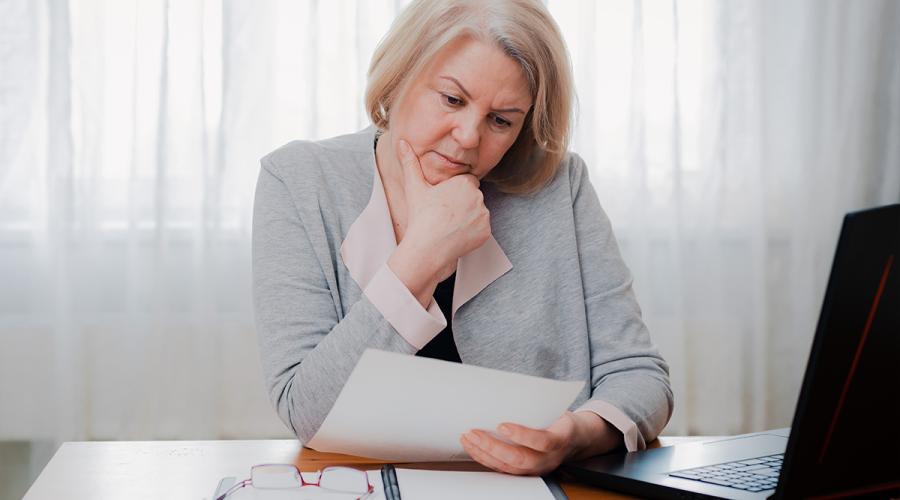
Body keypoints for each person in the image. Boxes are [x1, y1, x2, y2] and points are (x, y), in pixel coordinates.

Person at [252, 0, 673, 476]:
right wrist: (422, 256)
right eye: (452, 99)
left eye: (502, 120)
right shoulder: (299, 180)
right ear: (399, 76)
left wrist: (573, 436)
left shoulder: (559, 186)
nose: (469, 137)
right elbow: (307, 411)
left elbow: (641, 377)